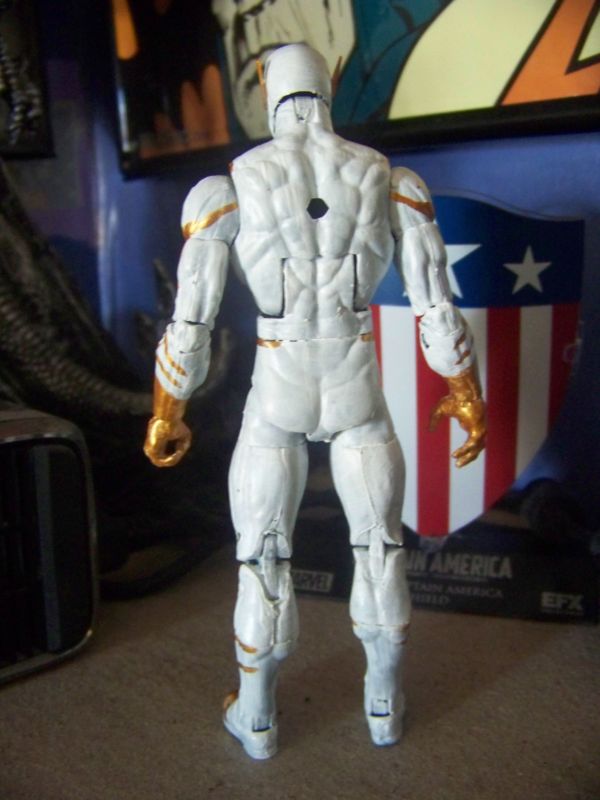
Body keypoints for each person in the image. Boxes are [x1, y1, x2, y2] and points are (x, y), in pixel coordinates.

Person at [143, 43, 486, 760]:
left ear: (265, 86)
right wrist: (464, 392)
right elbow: (435, 305)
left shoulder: (229, 187)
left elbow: (192, 318)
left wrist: (167, 410)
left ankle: (259, 719)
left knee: (262, 558)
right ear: (329, 85)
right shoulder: (390, 179)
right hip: (355, 378)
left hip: (280, 383)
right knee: (381, 549)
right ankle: (383, 709)